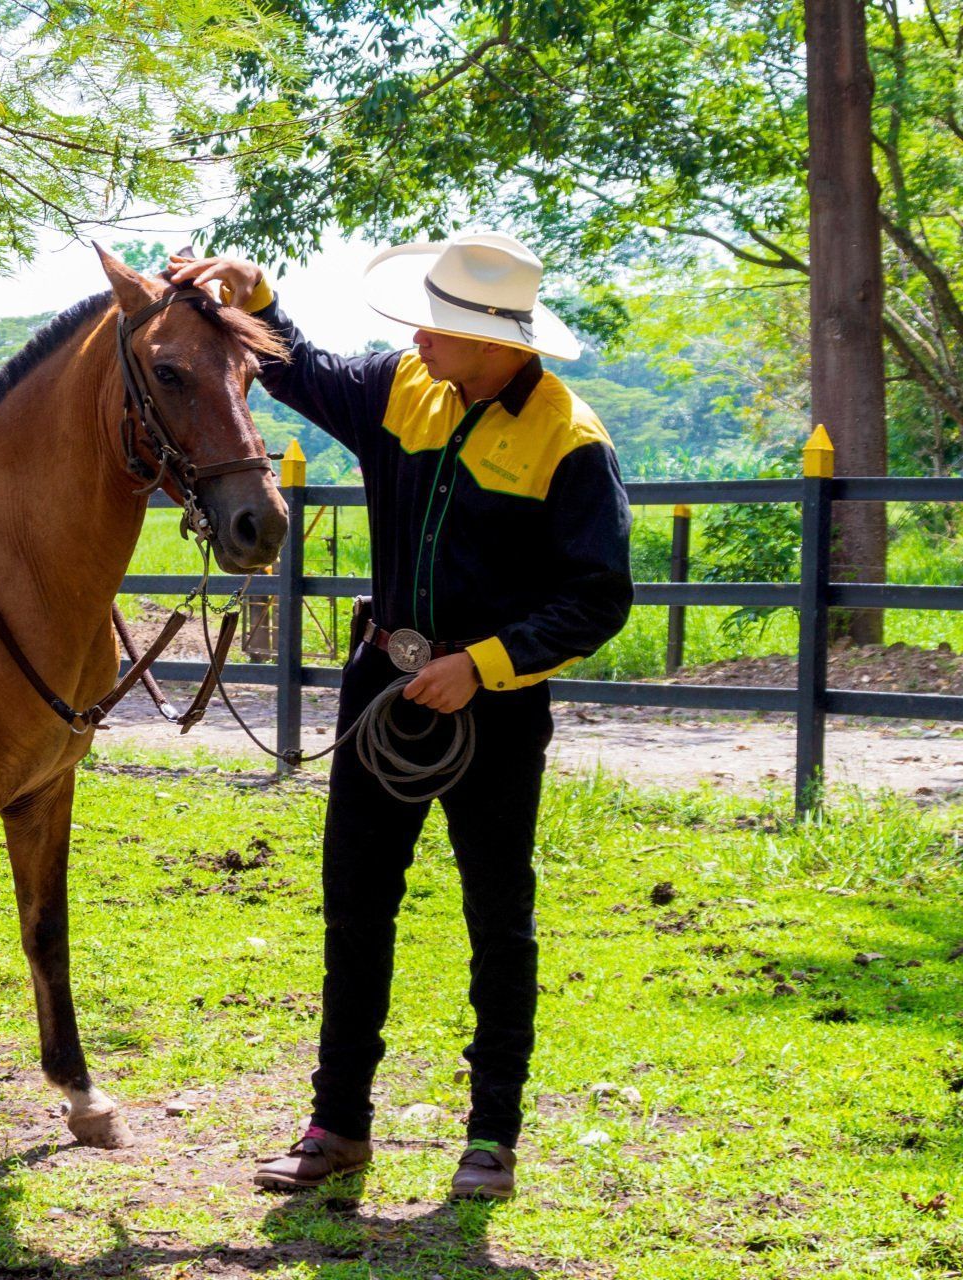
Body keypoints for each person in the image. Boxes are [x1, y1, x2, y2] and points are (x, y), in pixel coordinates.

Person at [169, 232, 633, 1200]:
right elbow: (306, 370)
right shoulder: (403, 387)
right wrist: (261, 297)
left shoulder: (570, 439)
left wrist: (483, 664)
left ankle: (491, 1136)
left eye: (441, 325)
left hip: (493, 715)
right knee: (356, 905)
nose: (419, 336)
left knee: (497, 916)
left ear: (498, 340)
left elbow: (598, 596)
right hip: (384, 691)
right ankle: (337, 1123)